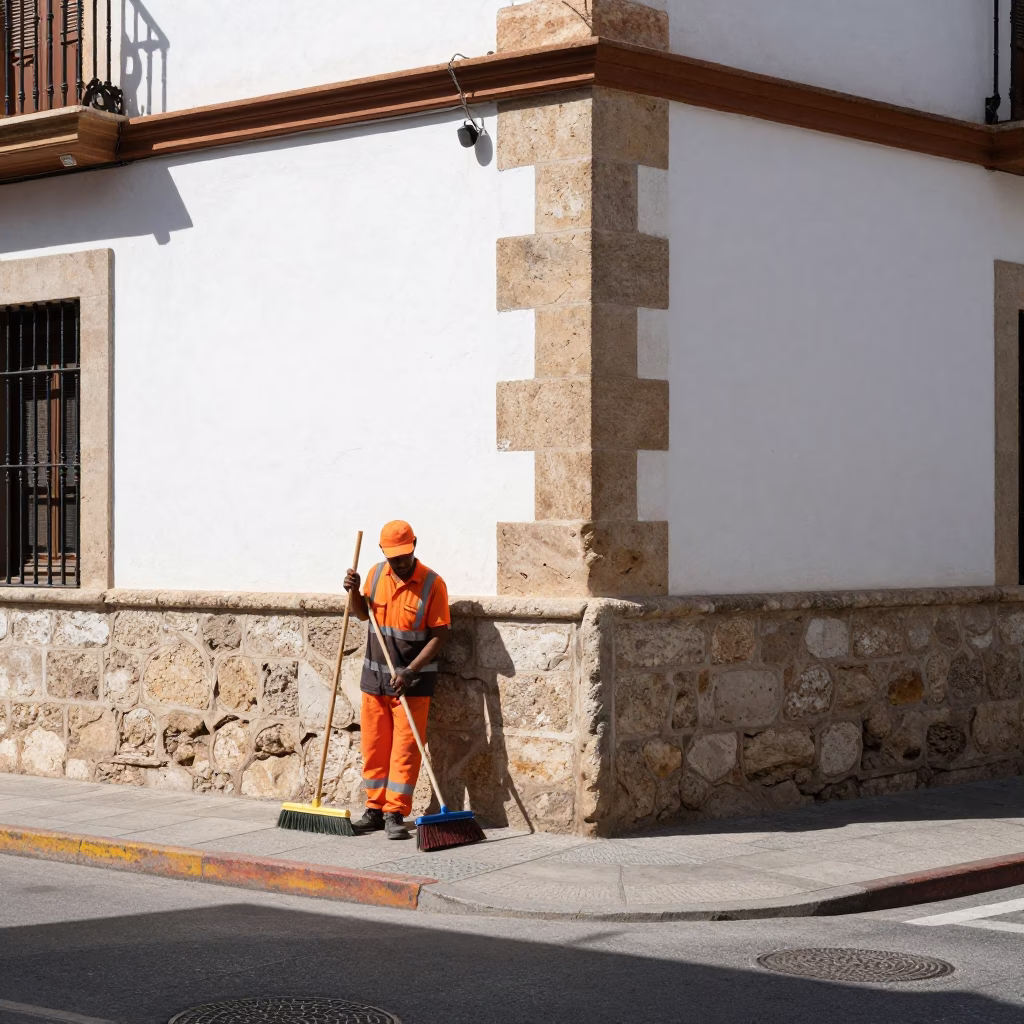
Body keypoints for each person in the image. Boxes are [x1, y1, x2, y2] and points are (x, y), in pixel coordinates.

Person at [345, 520, 450, 839]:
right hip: (374, 680)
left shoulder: (433, 584)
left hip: (412, 685)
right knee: (374, 747)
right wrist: (353, 592)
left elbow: (440, 635)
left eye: (404, 555)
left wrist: (410, 671)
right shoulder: (376, 575)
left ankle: (395, 812)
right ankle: (375, 810)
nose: (400, 562)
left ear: (414, 545)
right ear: (382, 551)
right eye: (393, 556)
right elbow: (362, 614)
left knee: (405, 751)